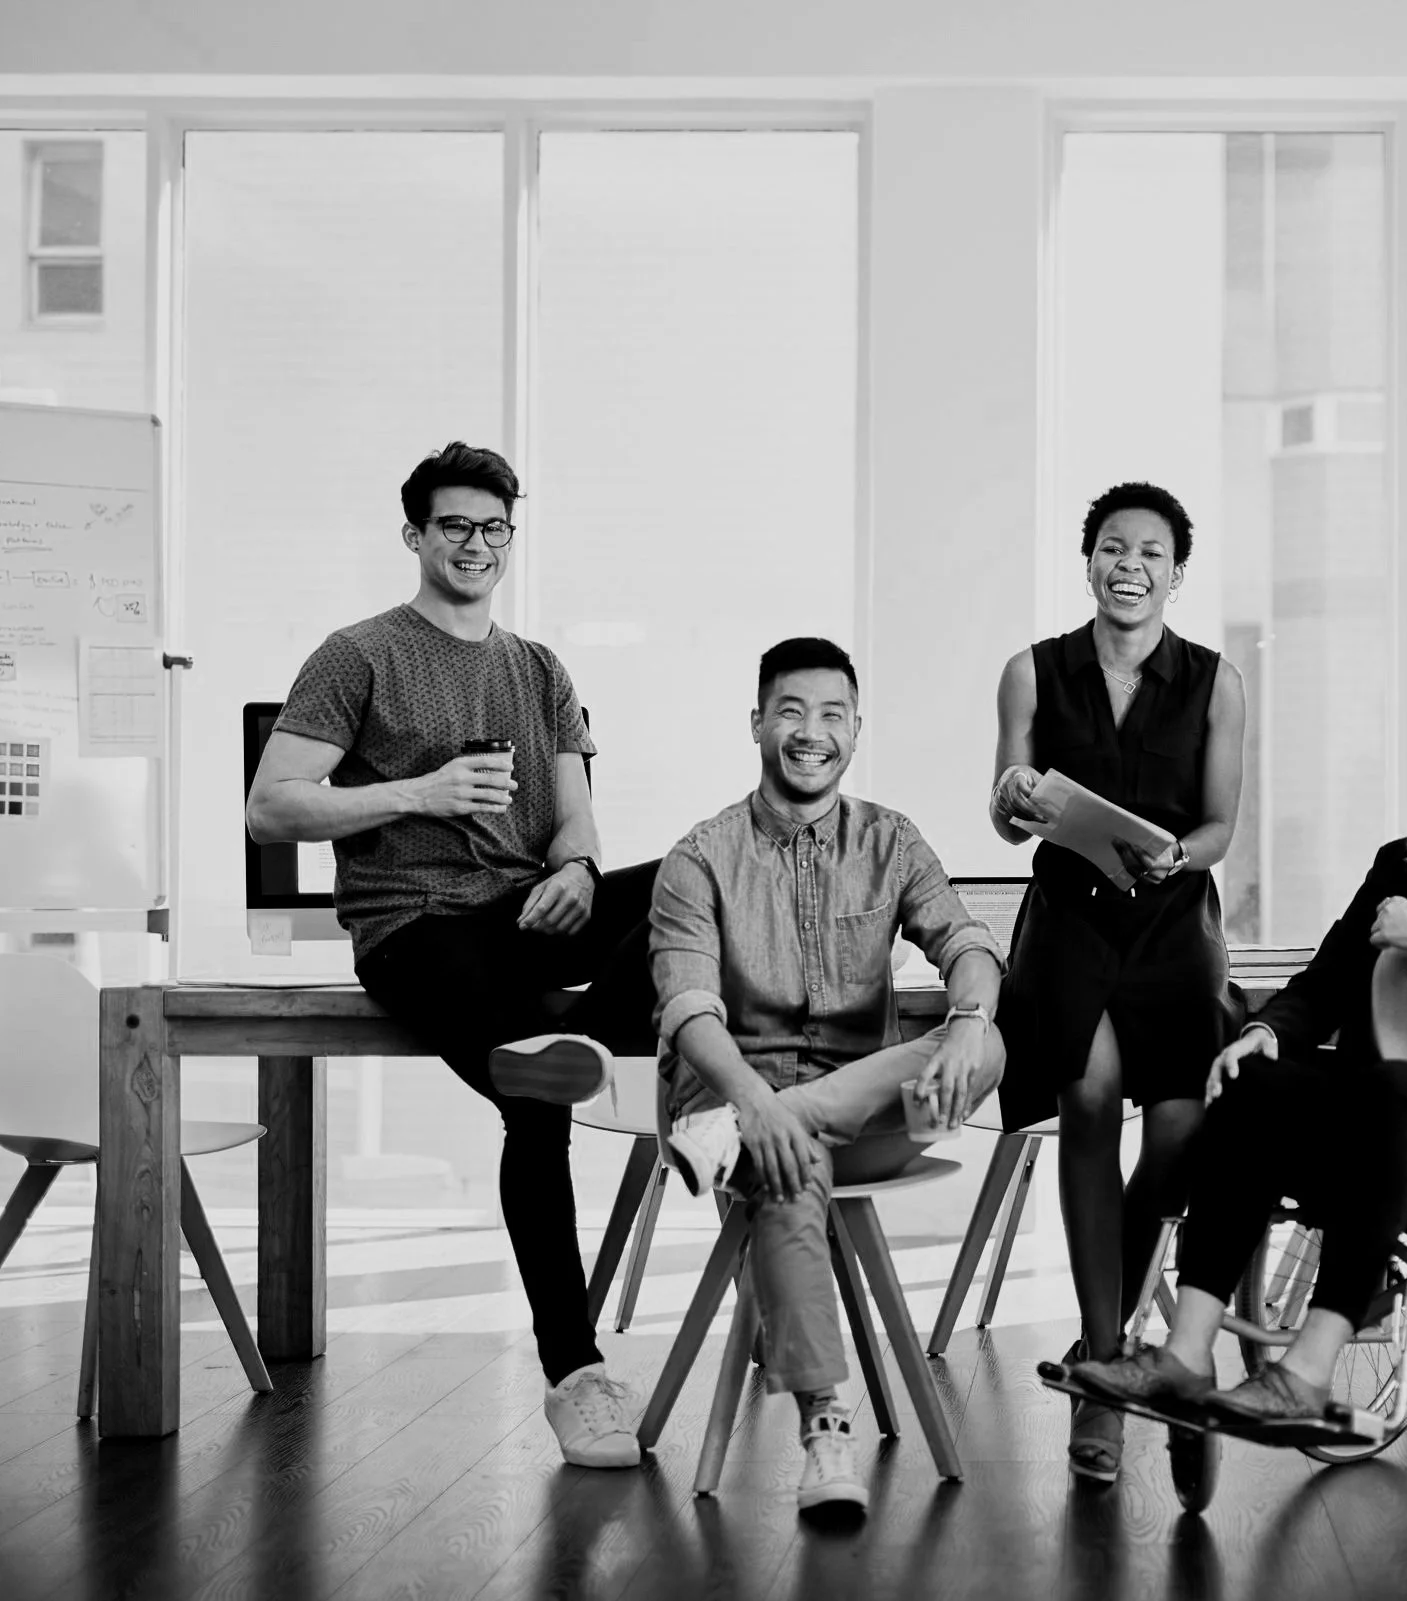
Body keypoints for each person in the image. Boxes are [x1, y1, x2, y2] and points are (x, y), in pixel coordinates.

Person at [247, 441, 657, 1470]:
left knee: (700, 874)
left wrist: (576, 869)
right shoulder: (359, 655)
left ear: (511, 538)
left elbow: (574, 819)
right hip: (416, 928)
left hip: (526, 917)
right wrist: (416, 794)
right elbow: (271, 808)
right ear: (416, 537)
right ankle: (577, 1374)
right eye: (455, 527)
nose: (476, 545)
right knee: (535, 1099)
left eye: (493, 529)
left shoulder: (540, 668)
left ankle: (591, 1036)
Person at [1063, 675, 1407, 1424]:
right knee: (1250, 1082)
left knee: (1386, 1092)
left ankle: (1307, 1373)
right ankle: (1183, 1356)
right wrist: (1263, 1033)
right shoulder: (1402, 864)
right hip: (1374, 1108)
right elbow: (1324, 983)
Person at [646, 636, 1006, 1523]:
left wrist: (969, 1019)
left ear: (857, 730)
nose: (813, 733)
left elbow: (966, 943)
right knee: (785, 1154)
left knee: (994, 1041)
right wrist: (752, 1105)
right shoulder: (700, 857)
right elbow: (690, 1010)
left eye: (833, 716)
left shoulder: (891, 839)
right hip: (739, 1096)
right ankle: (826, 1425)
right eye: (793, 712)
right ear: (759, 723)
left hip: (856, 1104)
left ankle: (768, 1124)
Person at [987, 481, 1247, 1483]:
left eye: (1149, 552)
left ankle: (1159, 1338)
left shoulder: (1216, 682)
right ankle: (1103, 1363)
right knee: (1089, 1100)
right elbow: (1009, 807)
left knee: (1183, 1127)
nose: (1128, 565)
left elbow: (1222, 823)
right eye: (1111, 547)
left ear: (1176, 573)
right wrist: (1016, 799)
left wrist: (1176, 854)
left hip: (1174, 920)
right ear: (1087, 558)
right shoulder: (1032, 671)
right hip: (1068, 921)